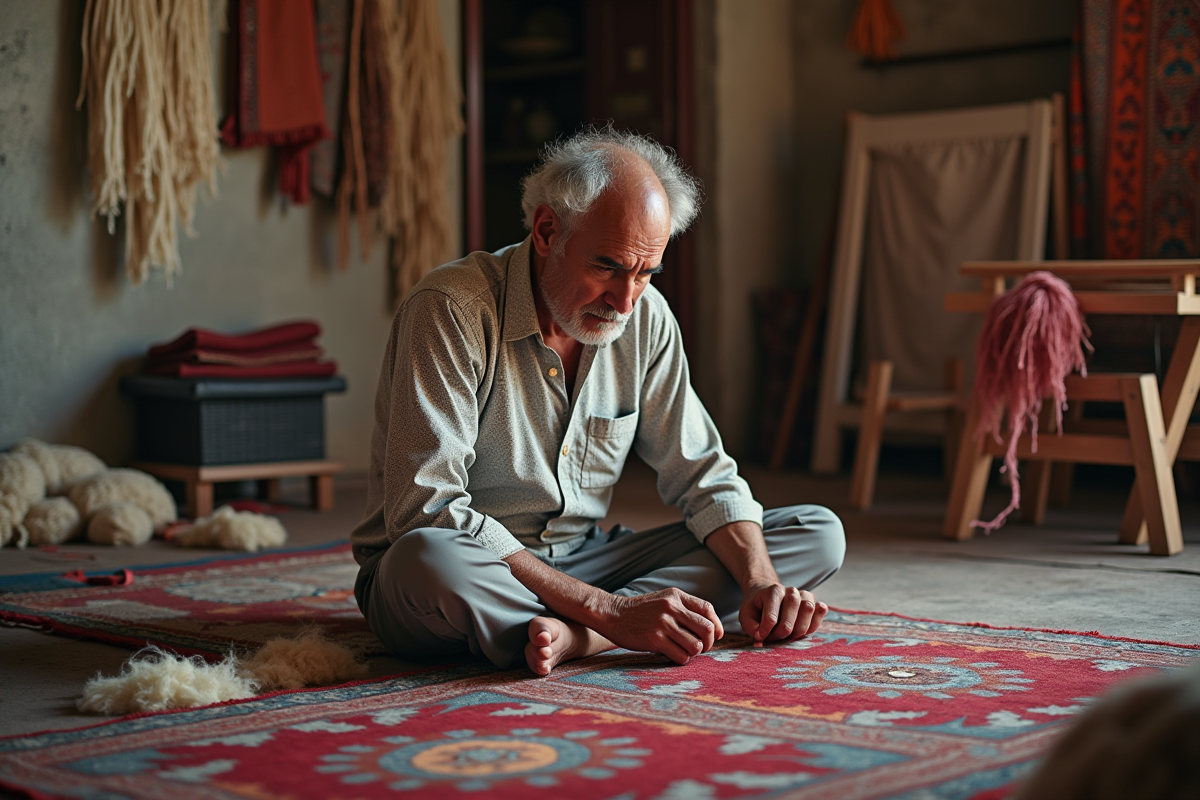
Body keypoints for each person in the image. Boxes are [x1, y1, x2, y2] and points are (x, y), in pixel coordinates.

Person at [351, 128, 845, 676]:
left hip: (587, 560)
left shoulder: (646, 318)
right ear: (546, 231)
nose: (625, 300)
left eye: (645, 272)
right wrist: (610, 608)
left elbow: (703, 474)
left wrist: (761, 584)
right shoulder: (450, 309)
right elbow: (428, 510)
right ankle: (605, 625)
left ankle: (577, 638)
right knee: (427, 560)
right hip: (471, 568)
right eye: (607, 266)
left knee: (815, 534)